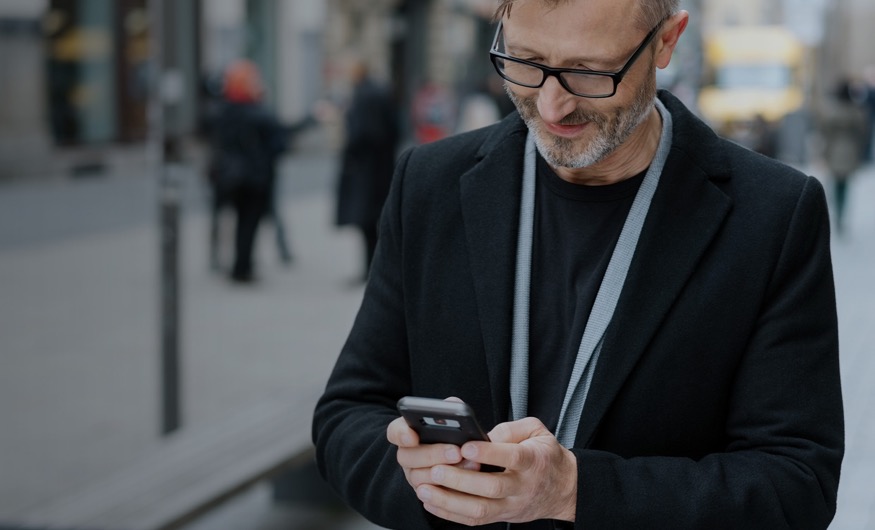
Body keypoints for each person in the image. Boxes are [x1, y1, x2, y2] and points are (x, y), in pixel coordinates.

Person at [313, 1, 844, 528]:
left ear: (667, 40)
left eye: (588, 72)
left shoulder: (774, 214)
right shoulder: (428, 184)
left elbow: (797, 484)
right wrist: (430, 483)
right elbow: (346, 414)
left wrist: (574, 491)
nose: (551, 106)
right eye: (524, 62)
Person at [206, 60, 309, 282]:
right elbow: (280, 139)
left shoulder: (222, 113)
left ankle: (232, 264)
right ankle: (242, 268)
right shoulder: (259, 113)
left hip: (228, 176)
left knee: (233, 220)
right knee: (249, 224)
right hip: (255, 177)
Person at [334, 59, 400, 282]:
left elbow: (362, 133)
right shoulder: (379, 92)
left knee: (368, 221)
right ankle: (374, 269)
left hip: (367, 169)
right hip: (381, 166)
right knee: (375, 219)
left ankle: (372, 269)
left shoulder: (364, 95)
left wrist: (350, 149)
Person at [817, 78, 868, 234]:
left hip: (833, 150)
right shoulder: (856, 111)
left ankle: (837, 213)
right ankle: (841, 214)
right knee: (845, 186)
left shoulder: (831, 111)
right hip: (850, 151)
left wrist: (823, 153)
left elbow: (825, 133)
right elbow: (862, 133)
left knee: (835, 183)